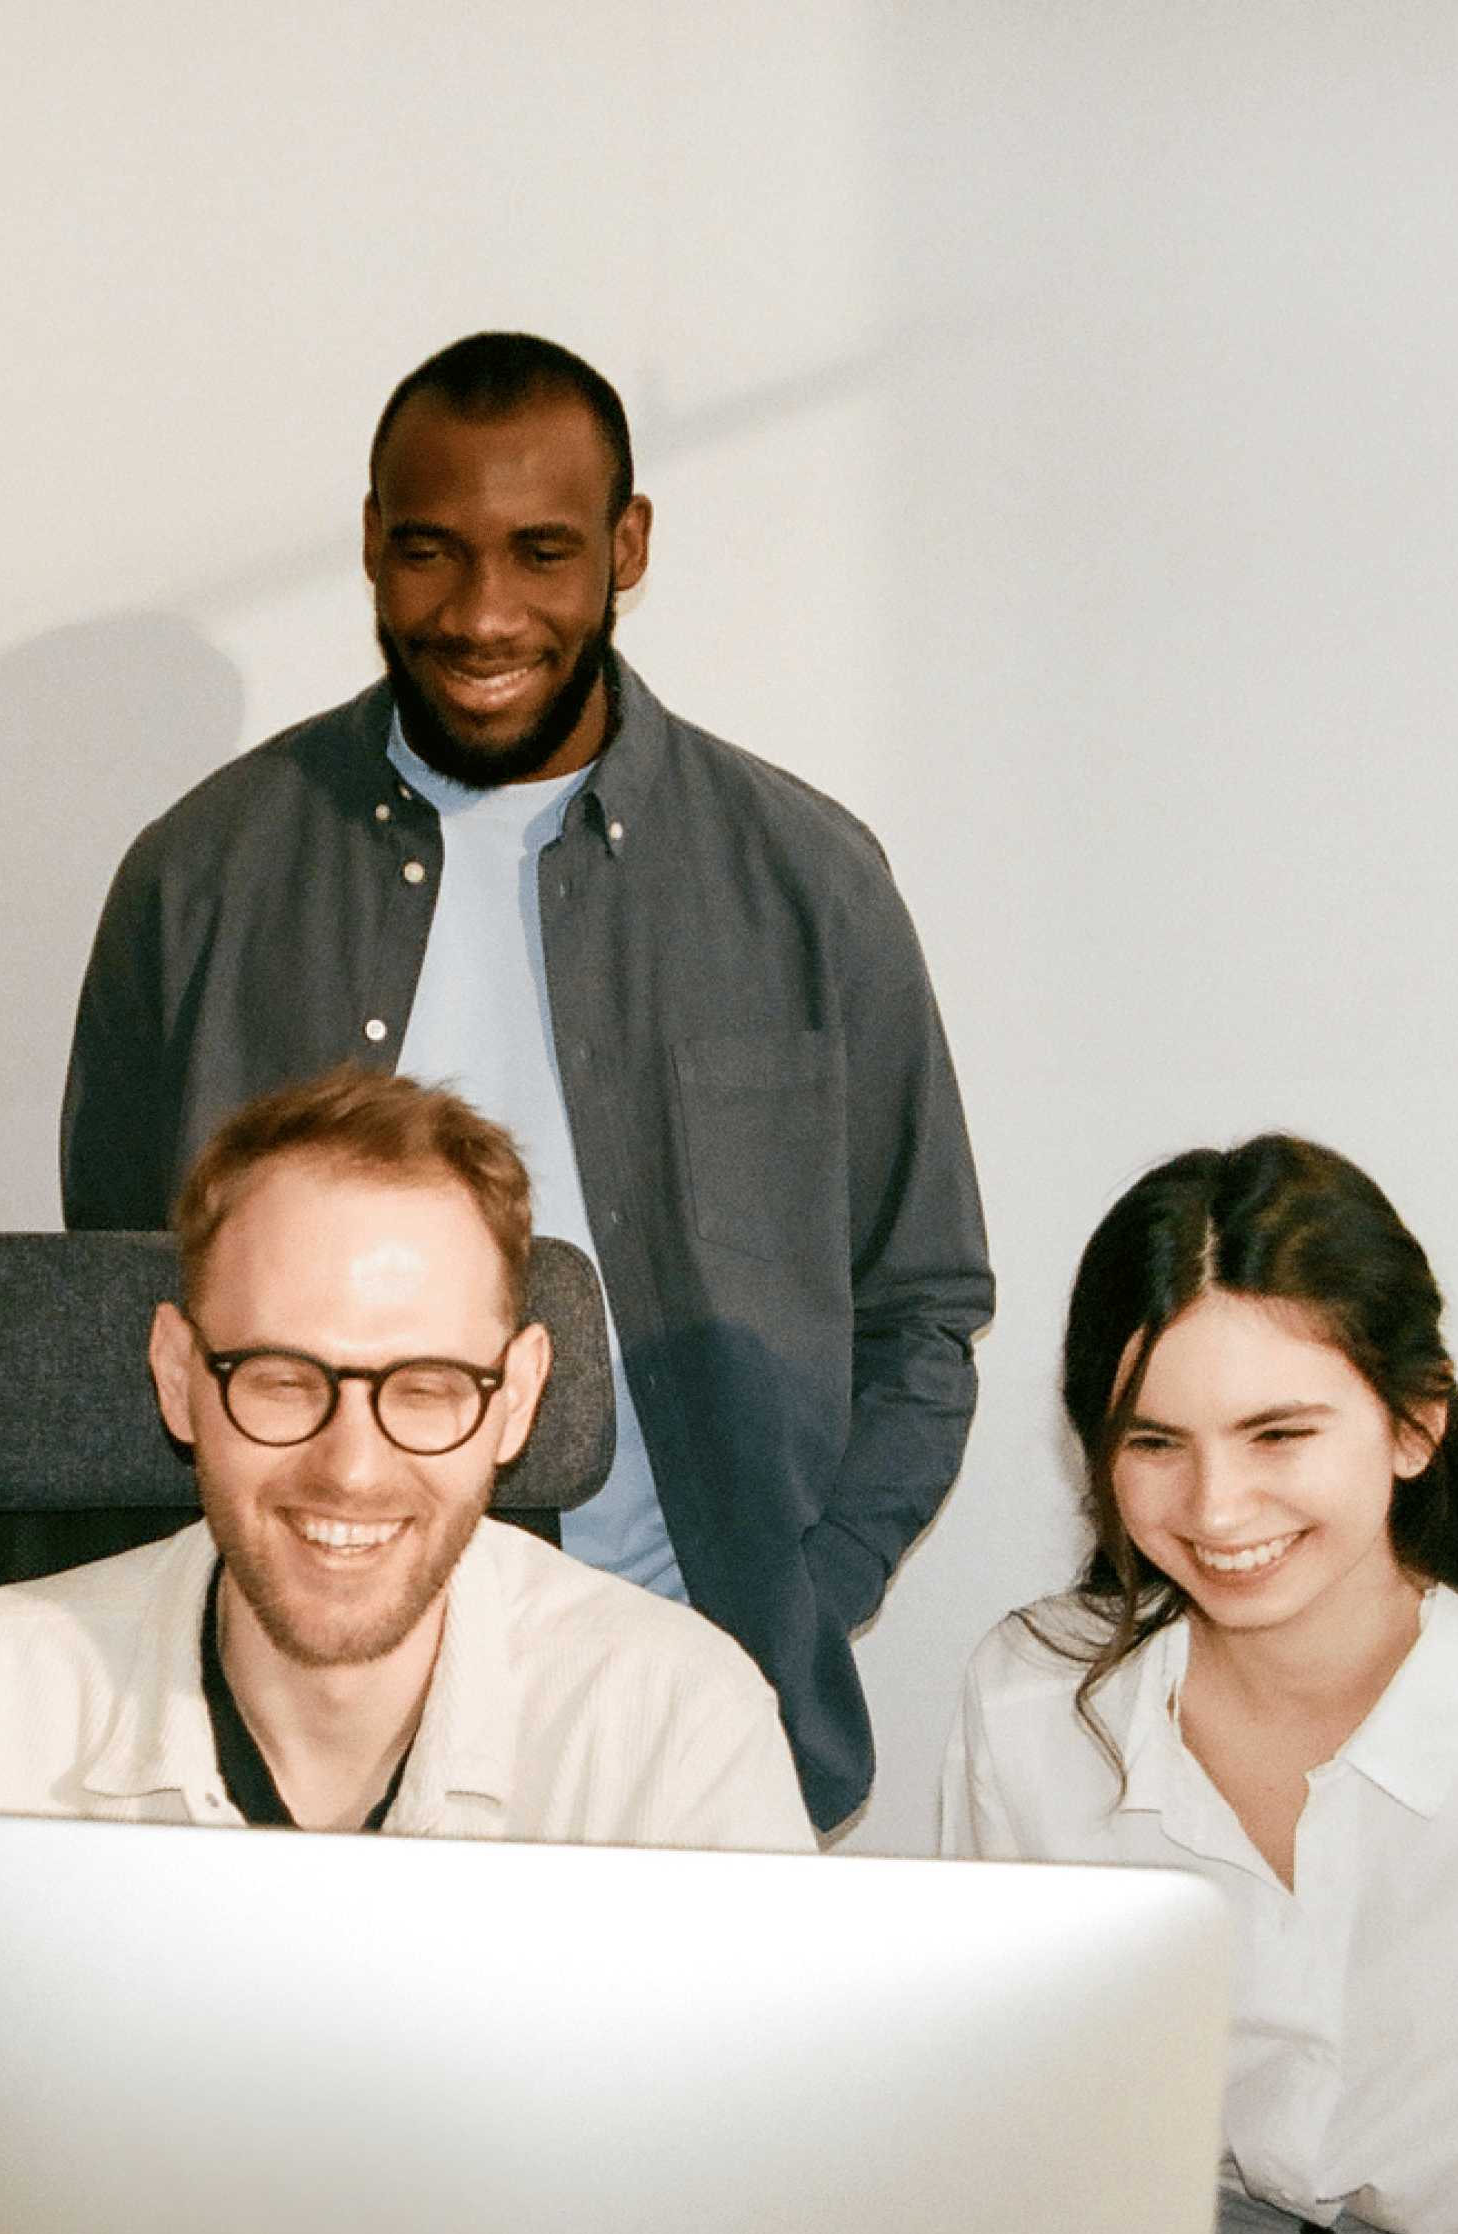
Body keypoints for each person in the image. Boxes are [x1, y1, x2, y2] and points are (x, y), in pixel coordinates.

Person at [61, 330, 990, 1834]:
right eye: (430, 551)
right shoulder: (201, 880)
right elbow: (122, 1296)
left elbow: (924, 1309)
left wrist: (794, 1600)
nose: (482, 612)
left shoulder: (808, 882)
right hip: (289, 1734)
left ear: (626, 548)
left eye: (541, 552)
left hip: (677, 1724)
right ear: (371, 544)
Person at [943, 1134, 1458, 2234]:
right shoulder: (1035, 1699)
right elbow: (1015, 2130)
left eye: (1280, 1435)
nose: (1216, 1511)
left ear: (1413, 1424)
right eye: (1155, 1442)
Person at [0, 1069, 812, 1852]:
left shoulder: (676, 1733)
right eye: (285, 1378)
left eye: (424, 1386)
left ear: (515, 1401)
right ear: (177, 1375)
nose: (351, 1466)